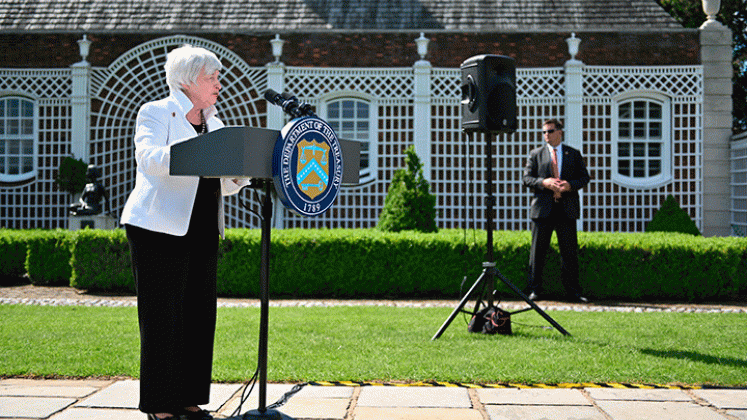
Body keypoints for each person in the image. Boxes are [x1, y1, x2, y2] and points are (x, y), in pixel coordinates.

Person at [120, 45, 250, 420]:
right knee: (163, 318)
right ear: (188, 80)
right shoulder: (156, 112)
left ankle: (188, 398)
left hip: (203, 227)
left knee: (198, 316)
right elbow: (150, 159)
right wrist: (201, 150)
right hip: (156, 229)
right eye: (212, 78)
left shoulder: (216, 123)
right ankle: (160, 404)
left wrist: (237, 175)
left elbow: (216, 182)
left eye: (218, 78)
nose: (219, 86)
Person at [522, 118, 590, 303]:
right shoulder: (536, 154)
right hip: (543, 211)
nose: (546, 135)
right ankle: (534, 290)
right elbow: (526, 179)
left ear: (560, 132)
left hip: (566, 210)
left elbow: (584, 178)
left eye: (550, 131)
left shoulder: (573, 154)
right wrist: (544, 182)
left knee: (569, 253)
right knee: (537, 252)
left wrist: (569, 185)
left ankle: (573, 292)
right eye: (544, 132)